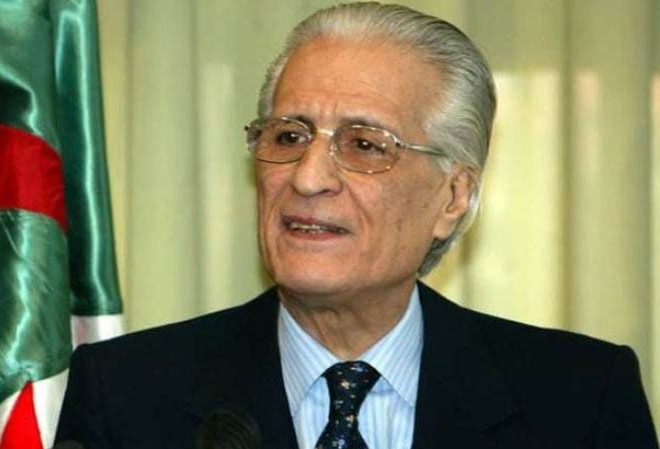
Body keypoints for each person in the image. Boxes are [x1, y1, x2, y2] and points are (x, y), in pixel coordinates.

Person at [54, 3, 658, 448]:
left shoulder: (580, 399)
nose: (308, 177)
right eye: (288, 136)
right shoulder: (126, 393)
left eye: (365, 145)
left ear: (453, 196)